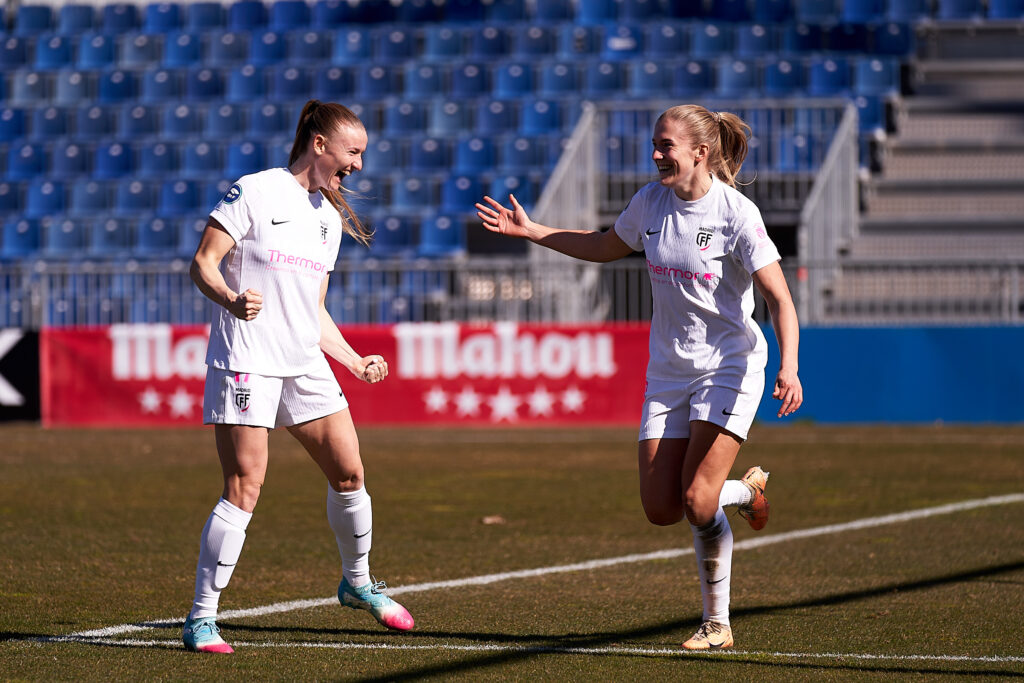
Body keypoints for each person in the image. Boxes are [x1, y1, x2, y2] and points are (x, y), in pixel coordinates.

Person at [476, 104, 802, 650]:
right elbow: (605, 246)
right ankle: (745, 491)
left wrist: (790, 367)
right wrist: (535, 232)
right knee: (660, 508)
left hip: (730, 364)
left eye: (665, 145)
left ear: (700, 153)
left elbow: (780, 298)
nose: (655, 154)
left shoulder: (736, 215)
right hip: (669, 370)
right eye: (654, 144)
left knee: (698, 501)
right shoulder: (650, 202)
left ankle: (716, 623)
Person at [182, 100, 414, 654]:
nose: (357, 165)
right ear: (318, 143)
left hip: (303, 362)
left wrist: (353, 360)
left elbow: (312, 309)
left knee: (350, 473)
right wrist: (231, 299)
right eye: (352, 151)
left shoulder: (327, 218)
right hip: (248, 359)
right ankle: (201, 618)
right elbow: (203, 263)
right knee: (245, 486)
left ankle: (357, 584)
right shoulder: (256, 191)